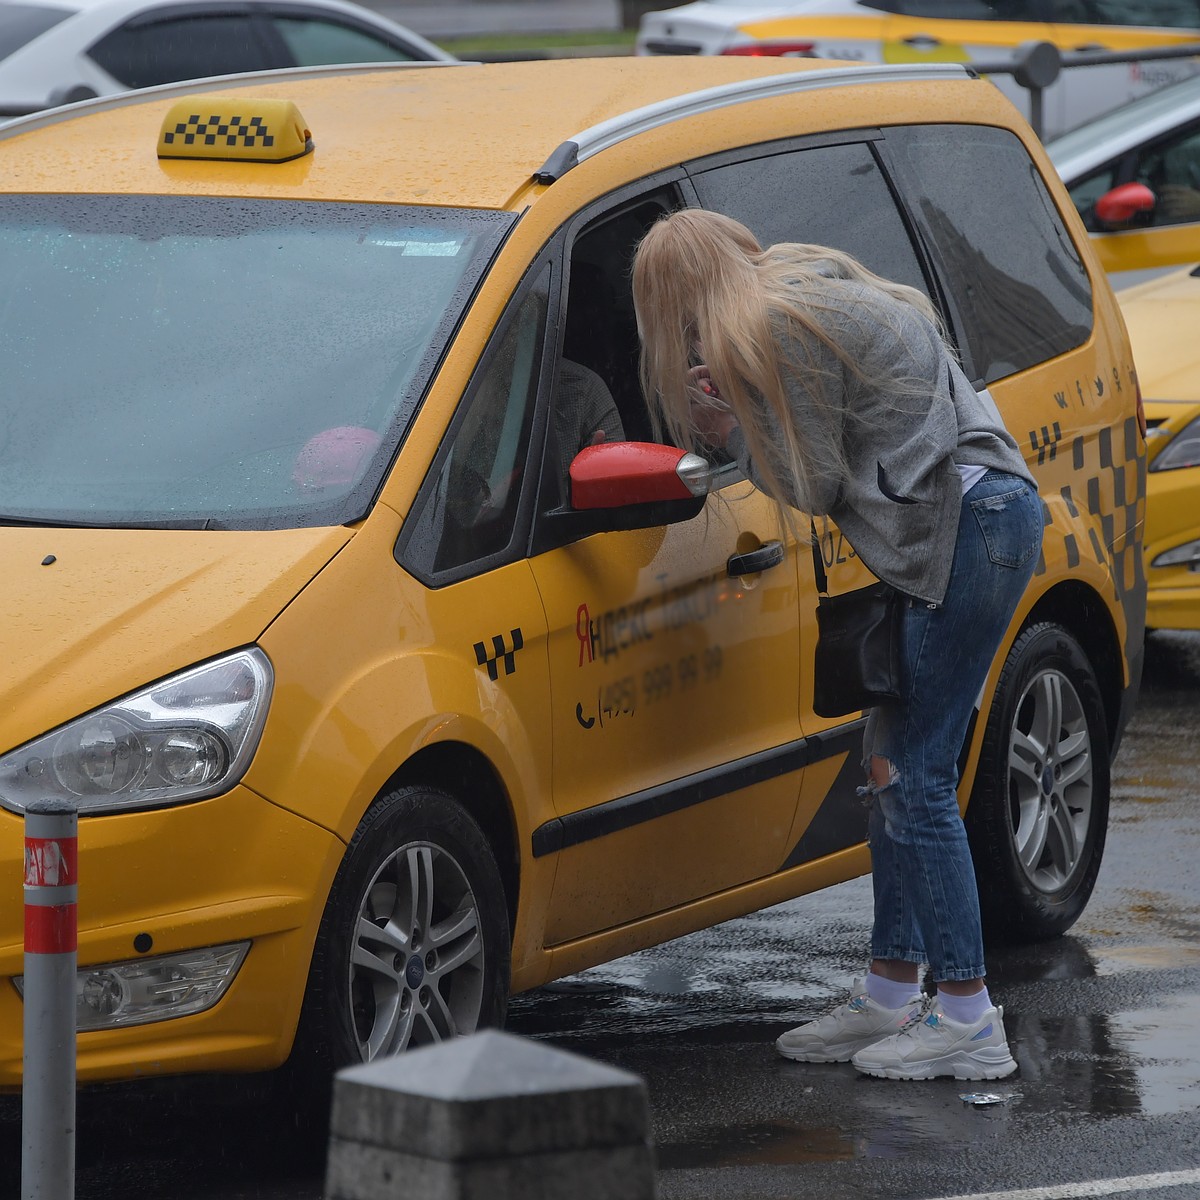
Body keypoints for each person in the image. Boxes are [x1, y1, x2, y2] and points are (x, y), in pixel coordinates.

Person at [630, 209, 1044, 1082]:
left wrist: (728, 428)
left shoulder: (771, 325)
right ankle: (890, 992)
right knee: (887, 759)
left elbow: (811, 484)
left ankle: (968, 1015)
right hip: (978, 515)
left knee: (916, 773)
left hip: (965, 525)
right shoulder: (797, 281)